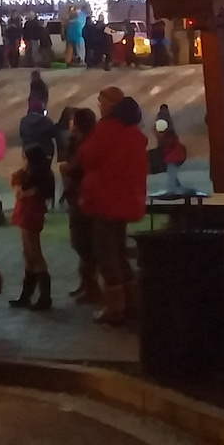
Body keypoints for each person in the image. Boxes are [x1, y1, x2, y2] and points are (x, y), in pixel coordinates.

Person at [78, 86, 147, 323]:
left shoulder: (107, 129)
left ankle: (115, 307)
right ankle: (132, 301)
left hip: (105, 201)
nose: (99, 106)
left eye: (102, 101)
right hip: (126, 200)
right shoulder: (133, 131)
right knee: (119, 252)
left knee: (106, 254)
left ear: (111, 104)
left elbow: (87, 156)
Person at [8, 143, 54, 311]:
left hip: (29, 216)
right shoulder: (38, 175)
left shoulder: (33, 177)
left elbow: (19, 192)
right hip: (29, 215)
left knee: (34, 253)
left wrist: (16, 181)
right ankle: (28, 295)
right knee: (29, 254)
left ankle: (43, 297)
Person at [60, 108, 98, 300]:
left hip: (85, 198)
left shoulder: (88, 144)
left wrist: (68, 168)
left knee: (85, 243)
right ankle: (86, 283)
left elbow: (80, 167)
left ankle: (92, 286)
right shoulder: (75, 143)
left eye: (73, 121)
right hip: (75, 197)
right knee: (79, 242)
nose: (70, 125)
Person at [154, 102, 188, 196]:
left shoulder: (161, 119)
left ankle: (172, 188)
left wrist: (160, 137)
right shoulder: (169, 125)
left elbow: (160, 134)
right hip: (172, 154)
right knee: (172, 170)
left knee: (171, 170)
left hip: (170, 155)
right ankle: (175, 185)